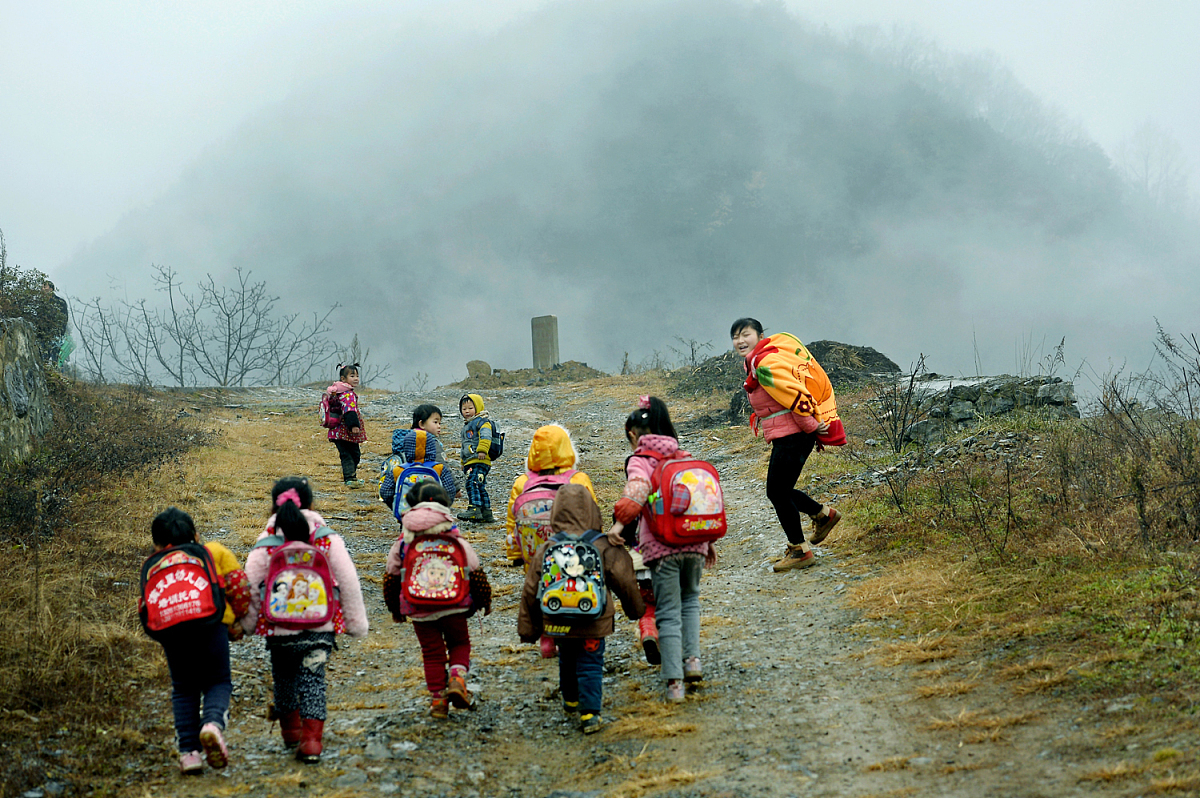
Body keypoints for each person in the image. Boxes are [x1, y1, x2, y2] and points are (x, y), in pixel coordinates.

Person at [242, 477, 368, 762]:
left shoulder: (268, 540)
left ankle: (290, 733)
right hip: (319, 628)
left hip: (279, 630)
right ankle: (311, 742)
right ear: (311, 503)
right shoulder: (325, 537)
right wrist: (355, 623)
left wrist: (247, 625)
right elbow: (348, 580)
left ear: (273, 506)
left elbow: (250, 583)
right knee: (313, 681)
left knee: (284, 679)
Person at [608, 397, 717, 701]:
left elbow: (637, 493)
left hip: (662, 546)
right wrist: (706, 542)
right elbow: (698, 500)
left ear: (633, 434)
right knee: (691, 604)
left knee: (667, 613)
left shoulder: (641, 459)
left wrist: (618, 526)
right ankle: (693, 662)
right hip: (694, 541)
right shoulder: (683, 455)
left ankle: (674, 683)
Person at [519, 484, 645, 734]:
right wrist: (636, 610)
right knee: (590, 663)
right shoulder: (605, 546)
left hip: (557, 621)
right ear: (593, 511)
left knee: (566, 657)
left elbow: (531, 589)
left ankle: (570, 699)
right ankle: (589, 713)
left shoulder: (547, 548)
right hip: (594, 621)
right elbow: (625, 580)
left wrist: (529, 629)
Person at [732, 318, 842, 572]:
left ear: (759, 335)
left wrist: (811, 426)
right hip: (790, 434)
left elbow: (793, 394)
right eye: (735, 336)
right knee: (781, 490)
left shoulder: (766, 361)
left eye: (745, 334)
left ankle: (799, 550)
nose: (740, 341)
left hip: (794, 435)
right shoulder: (759, 360)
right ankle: (823, 515)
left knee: (778, 492)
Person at [141, 507, 235, 775]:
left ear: (156, 542)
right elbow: (229, 585)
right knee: (218, 680)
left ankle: (189, 753)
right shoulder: (204, 553)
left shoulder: (153, 563)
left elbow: (145, 608)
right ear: (195, 534)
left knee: (183, 689)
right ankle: (212, 724)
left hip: (172, 630)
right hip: (209, 625)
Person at [384, 482, 490, 718]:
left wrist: (396, 609)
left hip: (418, 606)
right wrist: (484, 600)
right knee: (460, 643)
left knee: (431, 653)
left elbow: (391, 575)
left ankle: (438, 702)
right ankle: (457, 678)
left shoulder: (404, 541)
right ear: (445, 505)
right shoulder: (454, 538)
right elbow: (475, 569)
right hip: (455, 603)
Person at [503, 423, 600, 658]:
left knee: (542, 593)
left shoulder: (522, 483)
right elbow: (593, 515)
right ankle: (576, 632)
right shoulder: (578, 479)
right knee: (575, 589)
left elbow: (512, 522)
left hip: (535, 556)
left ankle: (547, 639)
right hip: (574, 554)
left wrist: (515, 554)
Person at [379, 404, 459, 507]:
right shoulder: (433, 444)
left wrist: (394, 504)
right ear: (421, 424)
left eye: (440, 423)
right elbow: (445, 470)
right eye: (435, 422)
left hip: (406, 509)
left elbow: (385, 491)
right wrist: (454, 491)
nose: (439, 426)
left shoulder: (403, 441)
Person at [325, 364, 368, 487]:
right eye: (352, 376)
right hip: (345, 431)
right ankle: (350, 479)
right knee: (352, 454)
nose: (356, 378)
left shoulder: (336, 392)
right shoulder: (348, 394)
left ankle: (351, 477)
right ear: (343, 379)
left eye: (357, 376)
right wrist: (354, 426)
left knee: (347, 454)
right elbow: (349, 411)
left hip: (336, 430)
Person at [458, 393, 498, 523]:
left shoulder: (482, 422)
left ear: (478, 408)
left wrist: (482, 450)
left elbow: (486, 437)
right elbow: (464, 446)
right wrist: (463, 461)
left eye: (470, 408)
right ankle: (486, 511)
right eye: (464, 409)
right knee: (479, 484)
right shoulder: (467, 426)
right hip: (471, 460)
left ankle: (474, 508)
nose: (467, 411)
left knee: (472, 483)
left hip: (479, 459)